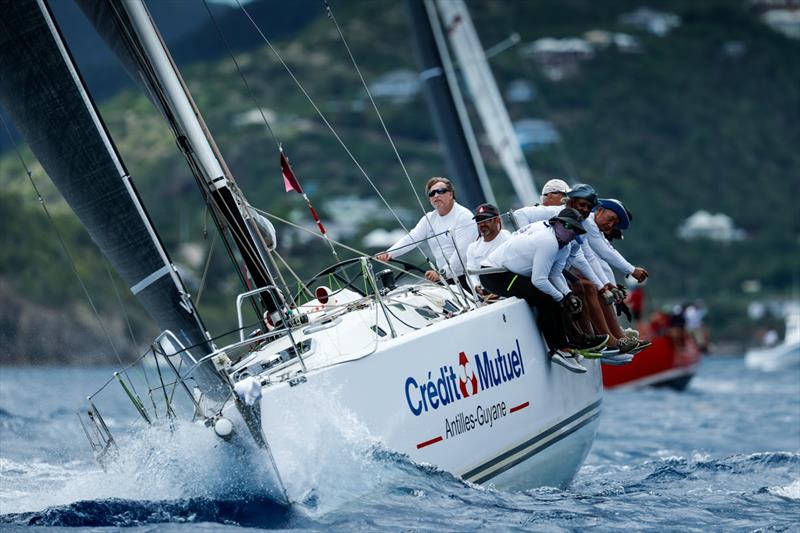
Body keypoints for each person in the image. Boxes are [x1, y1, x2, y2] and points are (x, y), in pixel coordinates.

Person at [479, 208, 592, 374]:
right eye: (568, 226)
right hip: (494, 274)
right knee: (546, 298)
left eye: (576, 229)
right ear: (558, 223)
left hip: (511, 272)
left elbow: (554, 274)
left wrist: (568, 295)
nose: (572, 232)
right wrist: (560, 297)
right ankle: (558, 349)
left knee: (557, 298)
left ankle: (566, 344)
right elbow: (539, 279)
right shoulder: (548, 242)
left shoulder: (564, 246)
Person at [377, 177, 475, 285]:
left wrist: (442, 273)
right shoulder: (429, 218)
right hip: (447, 279)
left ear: (451, 194)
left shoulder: (463, 216)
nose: (436, 195)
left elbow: (463, 252)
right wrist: (389, 253)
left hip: (470, 277)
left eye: (441, 191)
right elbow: (412, 238)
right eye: (432, 193)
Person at [449, 203, 510, 293]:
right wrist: (476, 287)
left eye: (486, 220)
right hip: (486, 294)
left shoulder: (507, 238)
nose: (482, 224)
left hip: (508, 289)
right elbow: (471, 274)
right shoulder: (472, 248)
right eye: (479, 220)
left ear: (497, 220)